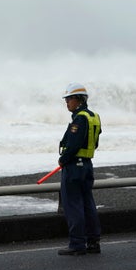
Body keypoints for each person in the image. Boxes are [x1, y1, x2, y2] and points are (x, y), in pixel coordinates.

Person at [57, 82, 102, 256]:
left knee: (73, 205)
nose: (66, 103)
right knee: (88, 204)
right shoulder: (94, 117)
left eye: (68, 99)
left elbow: (74, 144)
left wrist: (63, 159)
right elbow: (95, 142)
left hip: (74, 167)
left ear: (78, 99)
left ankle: (77, 244)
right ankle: (93, 242)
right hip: (87, 165)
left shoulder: (80, 118)